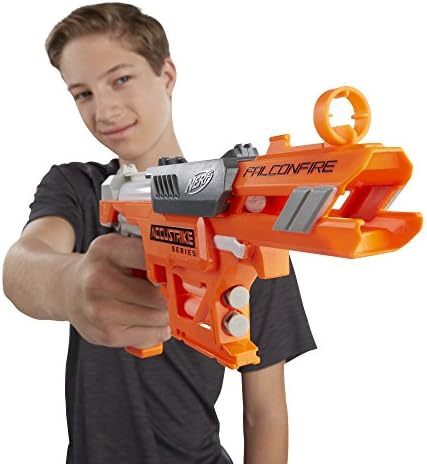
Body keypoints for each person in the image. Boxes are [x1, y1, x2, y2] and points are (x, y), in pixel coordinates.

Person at [2, 3, 317, 463]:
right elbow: (21, 265)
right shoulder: (79, 188)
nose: (104, 110)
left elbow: (265, 411)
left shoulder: (242, 217)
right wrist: (71, 285)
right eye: (82, 93)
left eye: (120, 79)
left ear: (166, 75)